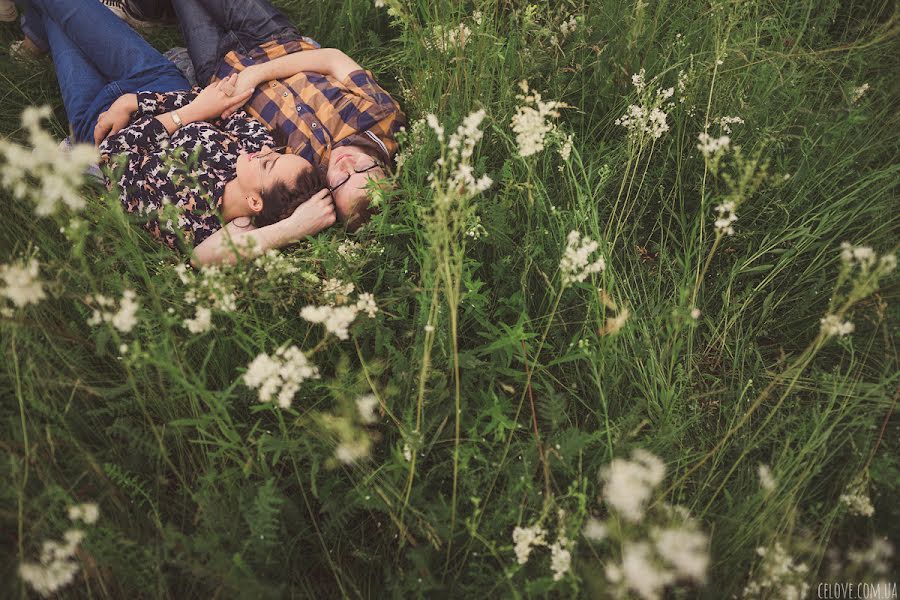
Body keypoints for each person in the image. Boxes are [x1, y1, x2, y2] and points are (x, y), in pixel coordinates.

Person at [14, 0, 337, 267]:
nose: (267, 151)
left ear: (254, 202)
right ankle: (35, 29)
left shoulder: (194, 221)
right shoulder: (257, 147)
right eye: (275, 155)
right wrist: (138, 101)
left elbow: (115, 153)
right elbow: (218, 98)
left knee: (53, 17)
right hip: (154, 83)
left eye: (268, 165)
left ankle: (33, 31)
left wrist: (293, 228)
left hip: (96, 123)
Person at [107, 0, 407, 232]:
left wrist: (293, 228)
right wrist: (257, 73)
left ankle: (143, 9)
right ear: (384, 169)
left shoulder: (299, 180)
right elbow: (331, 59)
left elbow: (233, 234)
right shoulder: (383, 119)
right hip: (275, 39)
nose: (348, 166)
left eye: (343, 181)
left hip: (219, 69)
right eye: (365, 171)